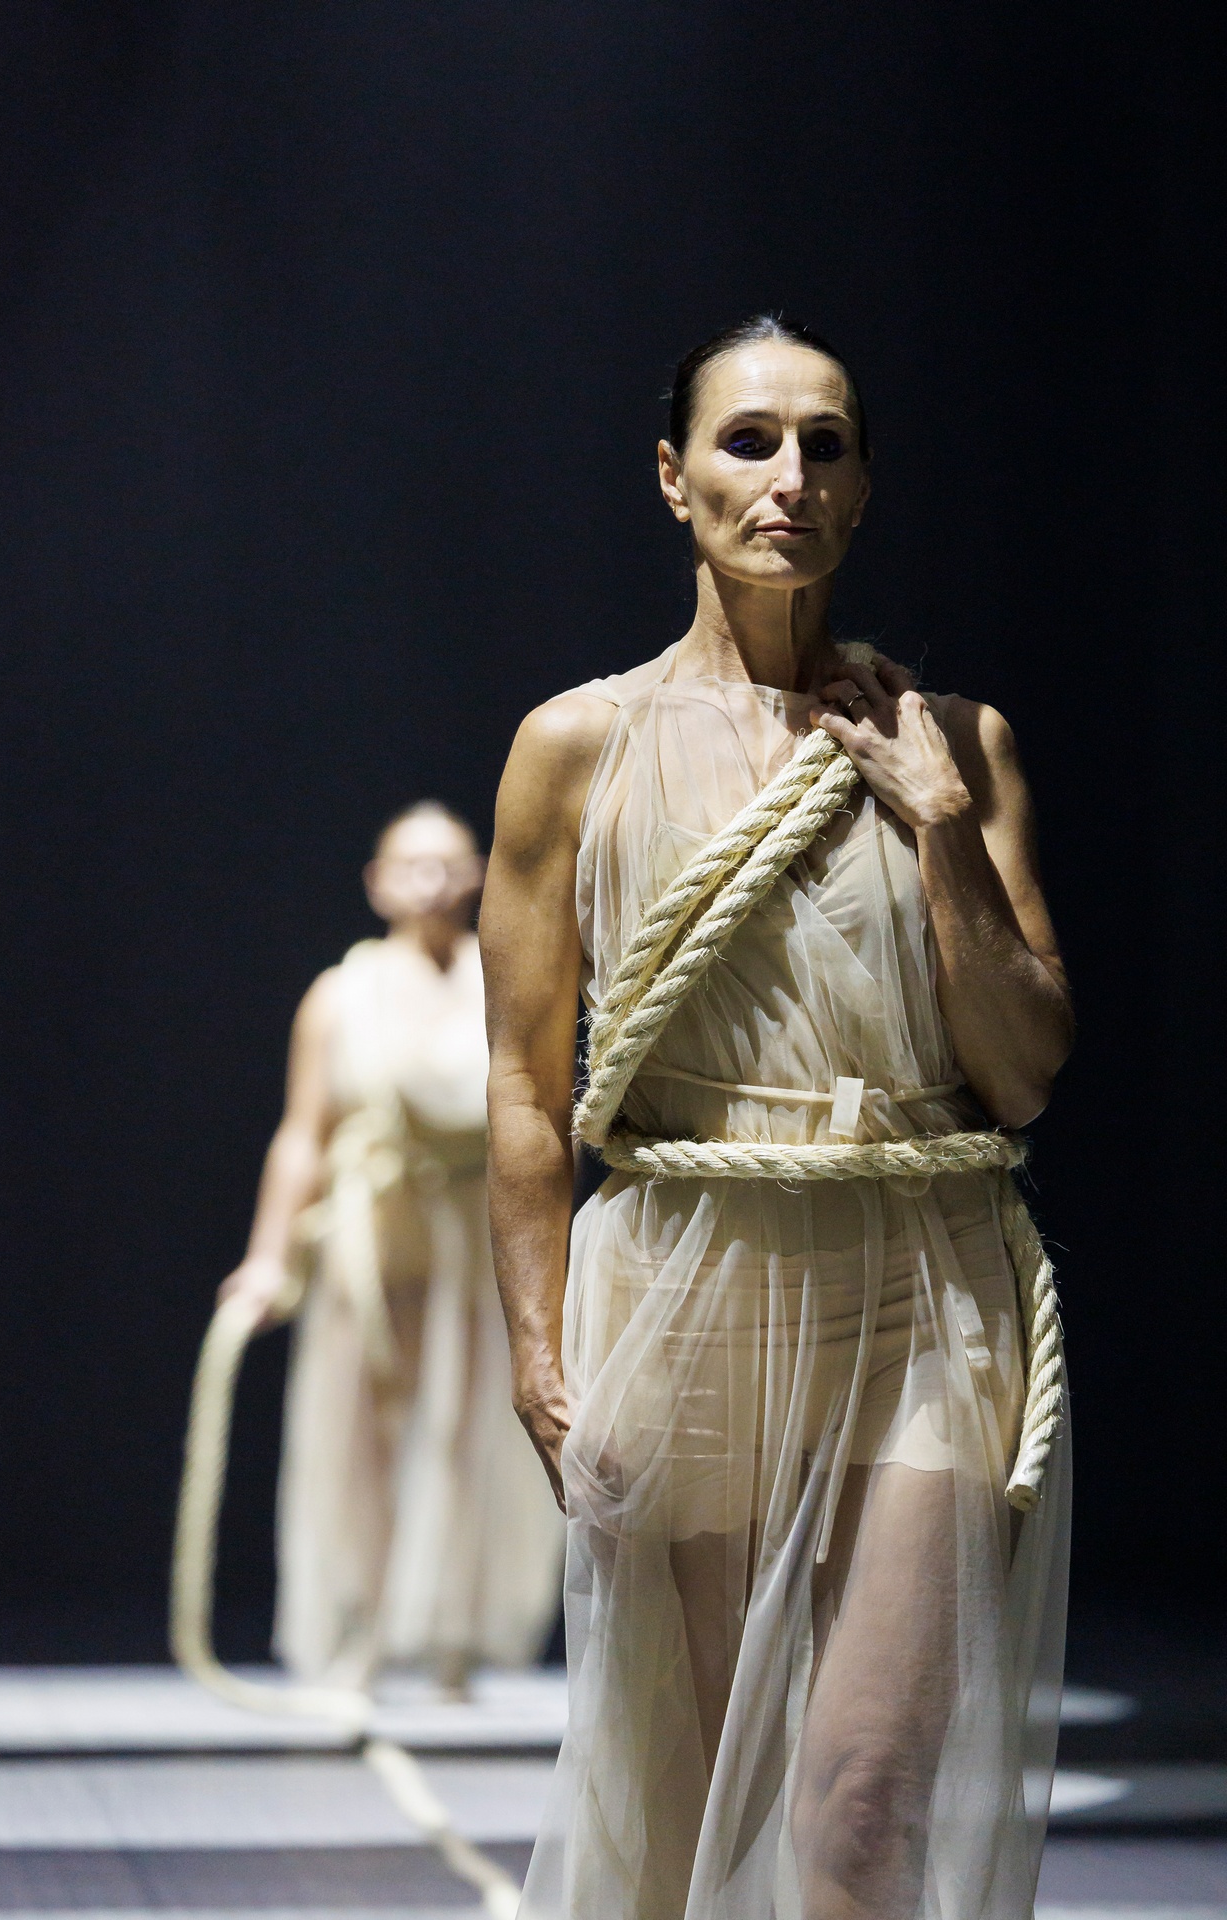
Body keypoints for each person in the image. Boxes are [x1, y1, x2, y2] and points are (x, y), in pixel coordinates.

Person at [481, 317, 1074, 1917]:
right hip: (689, 1273)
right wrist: (538, 1349)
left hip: (923, 1278)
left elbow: (1023, 1071)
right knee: (689, 1788)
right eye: (747, 441)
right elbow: (528, 1089)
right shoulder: (576, 747)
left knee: (863, 1796)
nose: (788, 476)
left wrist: (940, 829)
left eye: (826, 443)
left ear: (865, 486)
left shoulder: (959, 744)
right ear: (674, 478)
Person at [221, 802, 564, 1696]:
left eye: (447, 862)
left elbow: (541, 1119)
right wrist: (268, 1256)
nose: (430, 882)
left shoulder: (505, 980)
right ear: (377, 882)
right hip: (374, 1231)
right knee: (360, 1429)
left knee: (470, 1423)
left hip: (476, 1232)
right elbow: (304, 1132)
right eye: (410, 865)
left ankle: (452, 1633)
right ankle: (358, 1627)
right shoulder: (342, 994)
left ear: (478, 873)